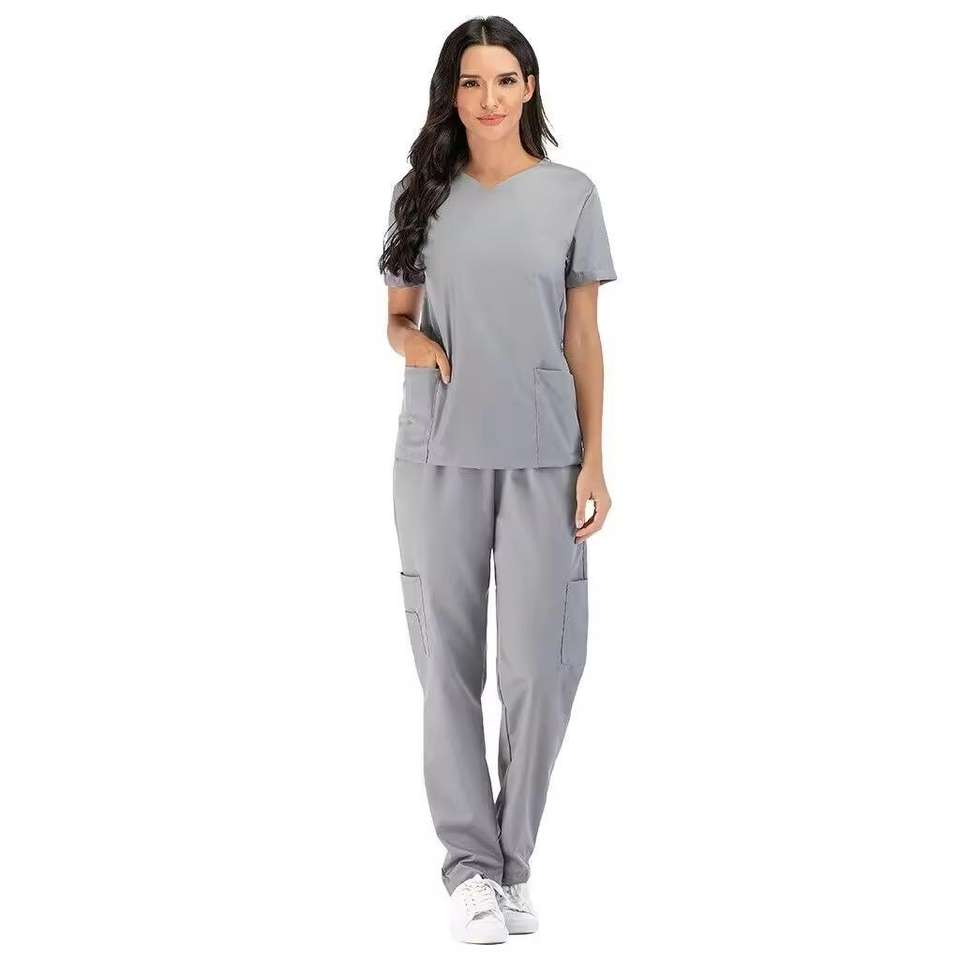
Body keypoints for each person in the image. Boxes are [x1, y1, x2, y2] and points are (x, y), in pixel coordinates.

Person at [379, 16, 617, 945]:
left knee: (542, 667)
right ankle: (471, 871)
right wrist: (415, 344)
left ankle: (514, 860)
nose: (489, 99)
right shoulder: (420, 195)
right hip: (437, 449)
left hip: (544, 452)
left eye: (505, 80)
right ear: (452, 92)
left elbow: (583, 336)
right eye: (472, 82)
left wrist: (595, 457)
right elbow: (397, 317)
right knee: (445, 663)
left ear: (530, 88)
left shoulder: (571, 195)